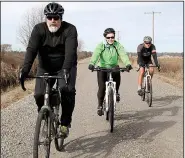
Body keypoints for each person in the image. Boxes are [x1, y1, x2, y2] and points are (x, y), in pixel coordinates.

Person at [19, 2, 78, 138]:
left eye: (56, 18)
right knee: (38, 94)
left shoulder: (70, 29)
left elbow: (70, 53)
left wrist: (65, 70)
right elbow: (31, 50)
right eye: (50, 17)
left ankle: (64, 123)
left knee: (67, 90)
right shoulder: (38, 29)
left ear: (61, 18)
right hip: (45, 66)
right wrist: (25, 69)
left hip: (65, 66)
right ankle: (45, 113)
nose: (53, 21)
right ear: (46, 18)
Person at [88, 28, 132, 116]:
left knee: (117, 77)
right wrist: (92, 64)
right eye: (108, 37)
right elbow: (96, 54)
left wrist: (127, 64)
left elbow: (123, 54)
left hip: (114, 66)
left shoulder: (117, 45)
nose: (111, 39)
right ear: (105, 37)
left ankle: (116, 92)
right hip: (102, 68)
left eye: (112, 37)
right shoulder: (101, 45)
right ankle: (100, 106)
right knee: (102, 88)